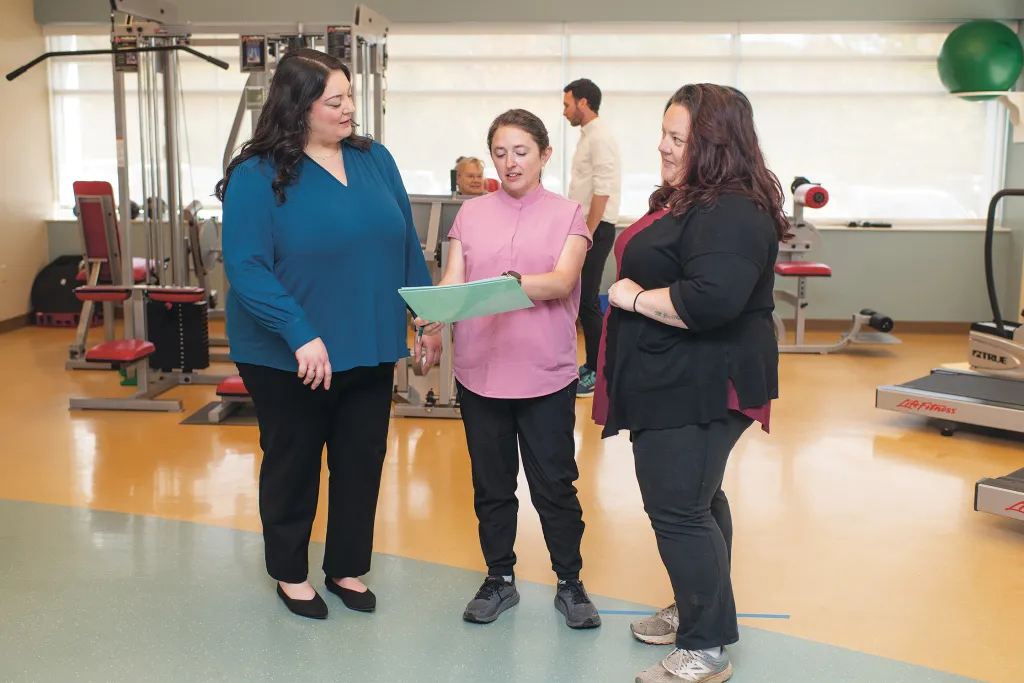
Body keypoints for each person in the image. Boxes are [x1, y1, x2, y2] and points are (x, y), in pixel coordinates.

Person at [215, 48, 438, 620]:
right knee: (294, 462)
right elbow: (245, 267)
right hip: (289, 354)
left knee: (361, 461)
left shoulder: (374, 160)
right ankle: (290, 573)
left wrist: (425, 316)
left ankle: (345, 567)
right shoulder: (255, 176)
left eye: (349, 97)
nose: (349, 110)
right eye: (334, 100)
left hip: (368, 340)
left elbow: (406, 246)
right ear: (298, 106)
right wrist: (299, 333)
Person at [592, 84, 786, 682]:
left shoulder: (731, 211)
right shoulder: (694, 198)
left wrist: (632, 296)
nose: (664, 147)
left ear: (715, 147)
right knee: (698, 500)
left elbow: (712, 300)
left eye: (679, 139)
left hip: (701, 381)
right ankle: (699, 606)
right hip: (669, 377)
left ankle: (705, 647)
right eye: (665, 134)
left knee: (679, 509)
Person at [415, 109, 601, 629]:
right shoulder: (470, 216)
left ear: (544, 155)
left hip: (546, 374)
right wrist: (431, 323)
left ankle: (570, 581)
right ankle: (500, 577)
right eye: (500, 152)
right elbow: (453, 285)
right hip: (482, 373)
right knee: (491, 484)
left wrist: (506, 285)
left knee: (555, 486)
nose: (510, 162)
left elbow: (563, 282)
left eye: (521, 151)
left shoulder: (568, 214)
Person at [562, 78, 621, 398]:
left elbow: (603, 188)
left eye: (567, 104)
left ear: (583, 103)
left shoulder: (600, 137)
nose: (565, 111)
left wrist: (588, 231)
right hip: (587, 227)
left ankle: (598, 372)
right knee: (580, 299)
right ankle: (591, 365)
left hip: (596, 228)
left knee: (587, 300)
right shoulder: (588, 136)